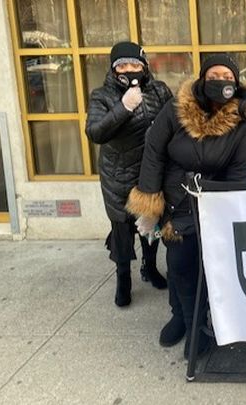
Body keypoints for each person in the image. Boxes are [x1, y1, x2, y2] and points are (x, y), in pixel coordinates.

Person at [126, 54, 246, 358]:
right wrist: (149, 202)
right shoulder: (176, 107)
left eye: (227, 76)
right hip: (177, 198)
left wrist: (225, 211)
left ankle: (200, 320)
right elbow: (154, 151)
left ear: (236, 82)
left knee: (208, 266)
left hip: (216, 198)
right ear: (202, 79)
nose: (220, 81)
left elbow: (241, 170)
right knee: (180, 263)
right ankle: (186, 320)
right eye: (213, 76)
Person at [86, 41, 172, 307]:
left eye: (135, 64)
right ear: (114, 69)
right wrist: (123, 107)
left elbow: (173, 122)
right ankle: (123, 277)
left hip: (151, 173)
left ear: (144, 66)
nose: (129, 69)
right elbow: (95, 132)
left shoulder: (159, 90)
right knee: (123, 231)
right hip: (119, 176)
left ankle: (150, 267)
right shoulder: (102, 96)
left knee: (150, 225)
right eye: (122, 65)